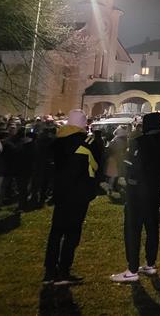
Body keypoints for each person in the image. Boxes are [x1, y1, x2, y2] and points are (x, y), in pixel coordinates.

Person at [111, 112, 160, 283]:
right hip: (155, 189)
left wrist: (127, 172)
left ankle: (132, 269)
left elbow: (132, 164)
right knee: (152, 226)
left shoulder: (140, 141)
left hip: (137, 190)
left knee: (133, 228)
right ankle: (150, 263)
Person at [43, 110, 100, 285]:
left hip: (61, 193)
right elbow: (96, 165)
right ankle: (64, 272)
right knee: (72, 233)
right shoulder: (87, 143)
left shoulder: (57, 142)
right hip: (78, 195)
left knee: (56, 232)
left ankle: (49, 272)